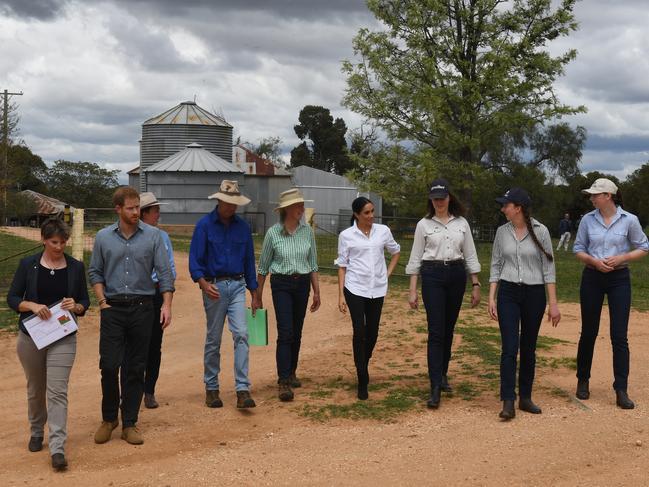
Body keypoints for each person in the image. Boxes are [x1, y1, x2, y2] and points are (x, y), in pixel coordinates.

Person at [89, 187, 174, 445]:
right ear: (118, 209)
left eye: (138, 207)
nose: (136, 212)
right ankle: (108, 418)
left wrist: (166, 305)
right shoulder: (103, 237)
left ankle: (130, 423)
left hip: (142, 307)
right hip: (112, 308)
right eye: (130, 208)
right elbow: (95, 272)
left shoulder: (154, 237)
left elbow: (165, 274)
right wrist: (102, 301)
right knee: (109, 365)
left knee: (136, 367)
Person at [7, 219, 89, 472]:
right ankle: (35, 430)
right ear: (43, 239)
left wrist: (76, 306)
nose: (59, 246)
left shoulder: (75, 267)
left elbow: (84, 301)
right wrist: (31, 305)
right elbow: (12, 298)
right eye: (54, 242)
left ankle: (57, 447)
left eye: (63, 242)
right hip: (31, 336)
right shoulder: (28, 265)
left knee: (57, 391)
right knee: (35, 388)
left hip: (62, 336)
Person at [573, 178, 649, 409]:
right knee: (589, 331)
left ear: (608, 196)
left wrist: (622, 258)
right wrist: (594, 262)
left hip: (619, 279)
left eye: (596, 194)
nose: (592, 198)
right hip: (592, 277)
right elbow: (578, 249)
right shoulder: (587, 220)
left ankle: (621, 389)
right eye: (592, 195)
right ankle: (583, 380)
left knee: (619, 335)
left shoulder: (630, 220)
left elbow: (644, 247)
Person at [406, 179, 481, 409]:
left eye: (442, 197)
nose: (439, 202)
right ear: (431, 200)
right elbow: (416, 257)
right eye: (435, 198)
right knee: (436, 330)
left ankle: (443, 373)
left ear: (449, 198)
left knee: (449, 329)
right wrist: (412, 289)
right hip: (433, 276)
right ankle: (434, 385)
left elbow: (469, 254)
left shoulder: (462, 224)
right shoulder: (424, 225)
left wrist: (475, 283)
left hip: (456, 275)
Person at [488, 187, 561, 420]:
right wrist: (492, 296)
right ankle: (508, 400)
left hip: (534, 294)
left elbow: (548, 269)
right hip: (508, 293)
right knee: (509, 347)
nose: (502, 208)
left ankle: (526, 397)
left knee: (528, 347)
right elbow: (496, 265)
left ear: (517, 208)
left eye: (506, 205)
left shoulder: (541, 231)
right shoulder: (502, 232)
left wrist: (553, 303)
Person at [189, 180, 258, 409]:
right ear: (219, 201)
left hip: (238, 285)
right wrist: (202, 282)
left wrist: (254, 292)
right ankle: (211, 387)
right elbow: (195, 260)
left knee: (242, 334)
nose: (232, 207)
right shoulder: (204, 226)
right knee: (214, 338)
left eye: (234, 203)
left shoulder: (243, 228)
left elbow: (249, 260)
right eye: (228, 203)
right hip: (214, 287)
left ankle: (242, 389)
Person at [254, 188, 320, 402]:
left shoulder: (307, 232)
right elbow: (263, 267)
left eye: (301, 205)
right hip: (281, 284)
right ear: (287, 209)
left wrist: (316, 291)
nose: (301, 209)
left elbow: (312, 263)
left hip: (302, 284)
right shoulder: (273, 233)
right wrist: (257, 296)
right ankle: (283, 381)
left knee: (297, 331)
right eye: (298, 206)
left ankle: (291, 372)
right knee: (286, 331)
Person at [336, 197, 400, 400]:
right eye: (366, 212)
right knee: (359, 329)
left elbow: (395, 251)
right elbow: (342, 265)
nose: (371, 216)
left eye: (372, 211)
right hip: (354, 288)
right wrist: (340, 295)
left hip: (377, 289)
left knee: (372, 332)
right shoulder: (346, 235)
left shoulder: (383, 231)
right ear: (356, 214)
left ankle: (363, 360)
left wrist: (387, 273)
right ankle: (362, 376)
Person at [120, 192, 176, 409]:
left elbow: (169, 269)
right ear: (143, 213)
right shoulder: (125, 236)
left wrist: (165, 300)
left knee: (154, 345)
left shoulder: (162, 237)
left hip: (153, 293)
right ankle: (127, 392)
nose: (158, 215)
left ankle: (149, 390)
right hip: (131, 295)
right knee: (130, 346)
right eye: (155, 211)